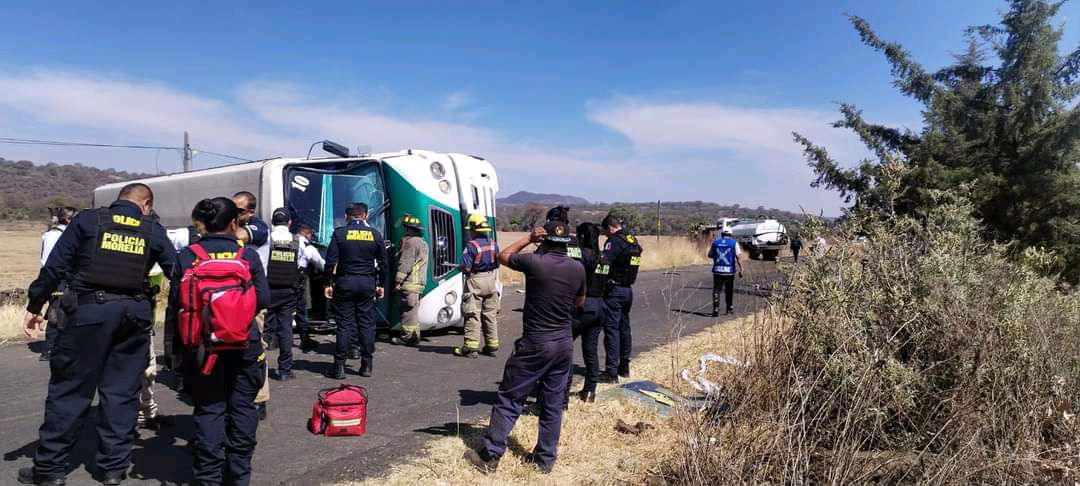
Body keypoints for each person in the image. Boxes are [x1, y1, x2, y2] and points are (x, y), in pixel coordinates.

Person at [18, 183, 176, 486]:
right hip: (134, 316)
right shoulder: (152, 229)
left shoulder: (88, 220)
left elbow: (55, 266)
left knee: (70, 390)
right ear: (146, 205)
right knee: (122, 392)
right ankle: (113, 469)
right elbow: (178, 272)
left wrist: (36, 303)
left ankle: (50, 469)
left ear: (119, 201)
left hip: (87, 315)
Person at [464, 220, 586, 475]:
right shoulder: (577, 268)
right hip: (563, 343)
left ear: (544, 239)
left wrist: (529, 238)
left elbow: (503, 255)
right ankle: (544, 461)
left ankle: (490, 454)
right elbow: (579, 301)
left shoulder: (534, 262)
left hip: (535, 342)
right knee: (552, 403)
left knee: (510, 396)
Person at [169, 197, 270, 486]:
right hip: (244, 345)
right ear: (234, 223)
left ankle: (208, 478)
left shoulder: (189, 255)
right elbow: (263, 299)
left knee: (209, 410)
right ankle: (239, 475)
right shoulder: (246, 256)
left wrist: (177, 352)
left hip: (202, 348)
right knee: (242, 408)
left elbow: (177, 303)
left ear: (202, 224)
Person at [323, 203, 388, 379]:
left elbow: (330, 262)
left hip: (345, 282)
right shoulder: (375, 234)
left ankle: (339, 368)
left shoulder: (339, 233)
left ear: (346, 216)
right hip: (367, 283)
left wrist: (327, 283)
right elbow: (383, 263)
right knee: (366, 324)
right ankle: (367, 365)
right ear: (365, 216)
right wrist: (381, 284)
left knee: (344, 325)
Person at [265, 208, 321, 380]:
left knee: (264, 329)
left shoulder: (265, 239)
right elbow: (319, 262)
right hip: (289, 291)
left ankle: (258, 369)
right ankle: (285, 371)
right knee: (286, 329)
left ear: (273, 222)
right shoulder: (300, 242)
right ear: (289, 222)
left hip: (268, 290)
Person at [232, 191, 271, 420]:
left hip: (253, 298)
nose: (235, 214)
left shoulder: (259, 228)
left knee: (256, 349)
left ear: (250, 212)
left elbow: (239, 235)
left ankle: (259, 398)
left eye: (239, 210)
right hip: (231, 297)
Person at [565, 222, 608, 404]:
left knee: (565, 349)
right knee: (591, 351)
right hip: (599, 306)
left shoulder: (582, 256)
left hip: (582, 306)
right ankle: (590, 390)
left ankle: (562, 394)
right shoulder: (604, 257)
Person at [598, 213, 643, 383]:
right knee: (624, 328)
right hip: (627, 290)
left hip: (614, 289)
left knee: (612, 330)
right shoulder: (632, 240)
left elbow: (604, 263)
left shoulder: (614, 242)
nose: (605, 236)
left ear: (610, 227)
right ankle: (624, 366)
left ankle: (611, 372)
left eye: (605, 232)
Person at [453, 213, 500, 358]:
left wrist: (459, 267)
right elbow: (497, 263)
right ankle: (492, 346)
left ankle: (471, 348)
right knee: (490, 314)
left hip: (475, 281)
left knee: (473, 314)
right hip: (491, 280)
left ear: (473, 229)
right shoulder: (493, 244)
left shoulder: (471, 246)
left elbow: (466, 268)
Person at [37, 206, 78, 362]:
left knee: (65, 311)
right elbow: (47, 261)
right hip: (57, 279)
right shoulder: (53, 235)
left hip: (65, 278)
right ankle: (49, 349)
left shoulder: (66, 234)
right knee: (56, 312)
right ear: (68, 219)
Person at [391, 214, 428, 347]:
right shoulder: (423, 242)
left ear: (408, 229)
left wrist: (397, 282)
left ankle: (407, 338)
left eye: (405, 228)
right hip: (418, 283)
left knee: (407, 311)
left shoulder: (411, 243)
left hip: (410, 283)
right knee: (413, 311)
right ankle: (414, 336)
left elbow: (405, 264)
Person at [294, 223, 324, 353]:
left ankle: (273, 340)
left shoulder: (288, 240)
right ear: (307, 234)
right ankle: (305, 340)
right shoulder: (308, 247)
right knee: (302, 310)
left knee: (282, 310)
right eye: (311, 234)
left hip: (281, 279)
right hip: (300, 280)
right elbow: (320, 264)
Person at [708, 229, 744, 317]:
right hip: (729, 271)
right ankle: (729, 308)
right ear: (730, 234)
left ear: (722, 234)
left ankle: (715, 309)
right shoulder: (734, 243)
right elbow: (739, 257)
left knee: (717, 289)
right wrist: (741, 269)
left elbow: (709, 255)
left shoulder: (715, 243)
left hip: (717, 270)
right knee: (729, 290)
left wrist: (718, 255)